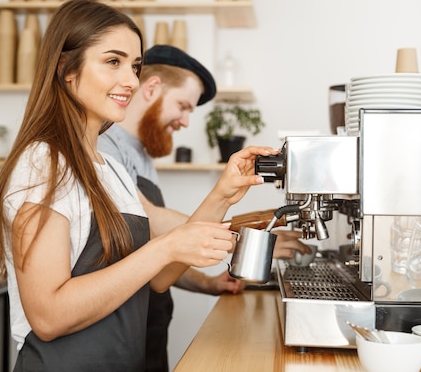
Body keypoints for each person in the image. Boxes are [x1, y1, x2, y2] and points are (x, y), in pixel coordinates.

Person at [0, 0, 279, 372]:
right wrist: (167, 246)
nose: (131, 81)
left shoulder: (110, 169)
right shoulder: (44, 163)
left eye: (135, 66)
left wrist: (222, 193)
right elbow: (48, 316)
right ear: (66, 68)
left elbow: (158, 278)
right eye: (113, 62)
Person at [98, 44, 311, 372]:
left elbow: (154, 250)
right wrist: (245, 237)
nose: (184, 121)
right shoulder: (105, 147)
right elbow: (151, 222)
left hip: (149, 324)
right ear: (152, 87)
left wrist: (206, 283)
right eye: (183, 106)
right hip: (114, 332)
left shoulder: (140, 153)